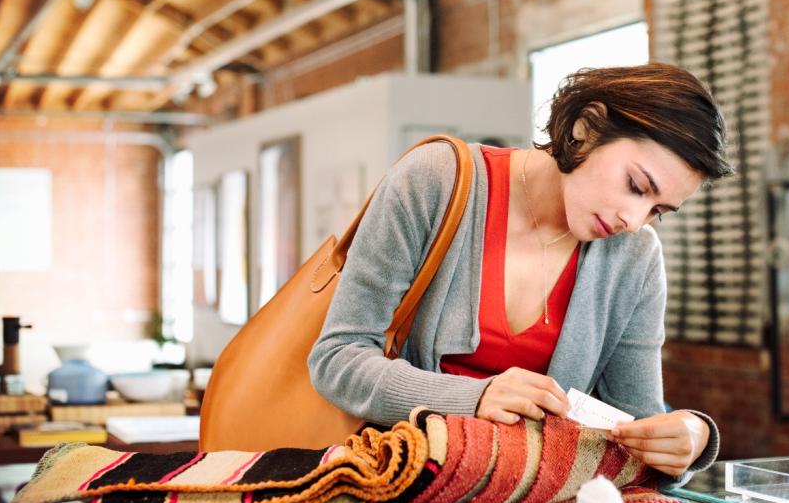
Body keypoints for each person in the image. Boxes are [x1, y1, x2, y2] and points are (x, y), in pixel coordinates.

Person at [310, 63, 734, 479]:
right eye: (637, 187)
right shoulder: (433, 181)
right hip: (402, 486)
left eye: (657, 211)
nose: (633, 219)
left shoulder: (635, 258)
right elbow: (337, 358)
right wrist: (474, 397)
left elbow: (636, 422)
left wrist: (693, 437)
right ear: (585, 128)